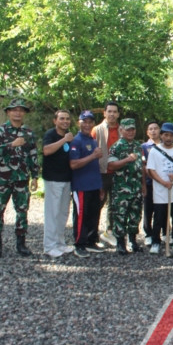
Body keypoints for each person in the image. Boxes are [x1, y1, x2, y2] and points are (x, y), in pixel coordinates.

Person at [0, 98, 39, 257]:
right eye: (14, 110)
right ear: (8, 112)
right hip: (2, 178)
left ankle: (21, 244)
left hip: (22, 178)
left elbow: (33, 154)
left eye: (21, 110)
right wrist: (11, 144)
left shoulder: (28, 133)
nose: (18, 113)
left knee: (22, 211)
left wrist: (35, 175)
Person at [146, 122, 173, 254]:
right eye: (166, 135)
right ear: (161, 135)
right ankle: (155, 242)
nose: (168, 138)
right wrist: (163, 182)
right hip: (160, 190)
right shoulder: (154, 151)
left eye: (171, 135)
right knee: (158, 217)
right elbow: (151, 170)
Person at [108, 118, 146, 255]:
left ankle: (133, 241)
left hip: (136, 187)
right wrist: (126, 160)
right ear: (121, 130)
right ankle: (120, 243)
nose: (130, 132)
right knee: (120, 215)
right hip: (121, 189)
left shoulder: (138, 146)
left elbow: (141, 166)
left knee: (135, 215)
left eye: (132, 129)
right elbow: (111, 165)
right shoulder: (116, 147)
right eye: (127, 129)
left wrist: (143, 185)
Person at [69, 110, 104, 258]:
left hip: (94, 184)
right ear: (79, 123)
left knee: (93, 214)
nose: (87, 125)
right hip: (81, 185)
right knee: (81, 215)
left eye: (90, 122)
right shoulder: (76, 141)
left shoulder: (92, 140)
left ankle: (90, 241)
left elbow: (95, 166)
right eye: (85, 122)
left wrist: (100, 185)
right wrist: (93, 156)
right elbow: (73, 164)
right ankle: (79, 244)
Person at [41, 110, 74, 258]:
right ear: (55, 121)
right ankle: (49, 246)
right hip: (53, 179)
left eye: (67, 119)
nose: (65, 121)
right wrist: (64, 140)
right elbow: (46, 151)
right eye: (62, 119)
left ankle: (60, 243)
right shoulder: (51, 134)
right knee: (52, 213)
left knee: (63, 213)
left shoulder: (70, 136)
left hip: (66, 179)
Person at [92, 100, 120, 247]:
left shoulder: (122, 130)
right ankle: (92, 236)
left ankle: (109, 232)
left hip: (117, 172)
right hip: (101, 172)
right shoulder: (97, 130)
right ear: (104, 113)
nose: (112, 114)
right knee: (97, 204)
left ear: (118, 114)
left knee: (115, 205)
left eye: (115, 112)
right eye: (109, 111)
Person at [141, 120, 161, 247]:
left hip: (163, 182)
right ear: (147, 132)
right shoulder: (143, 147)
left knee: (162, 208)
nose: (153, 131)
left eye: (155, 128)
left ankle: (164, 232)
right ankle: (148, 233)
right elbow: (143, 165)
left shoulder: (165, 145)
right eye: (151, 129)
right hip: (149, 182)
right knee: (148, 209)